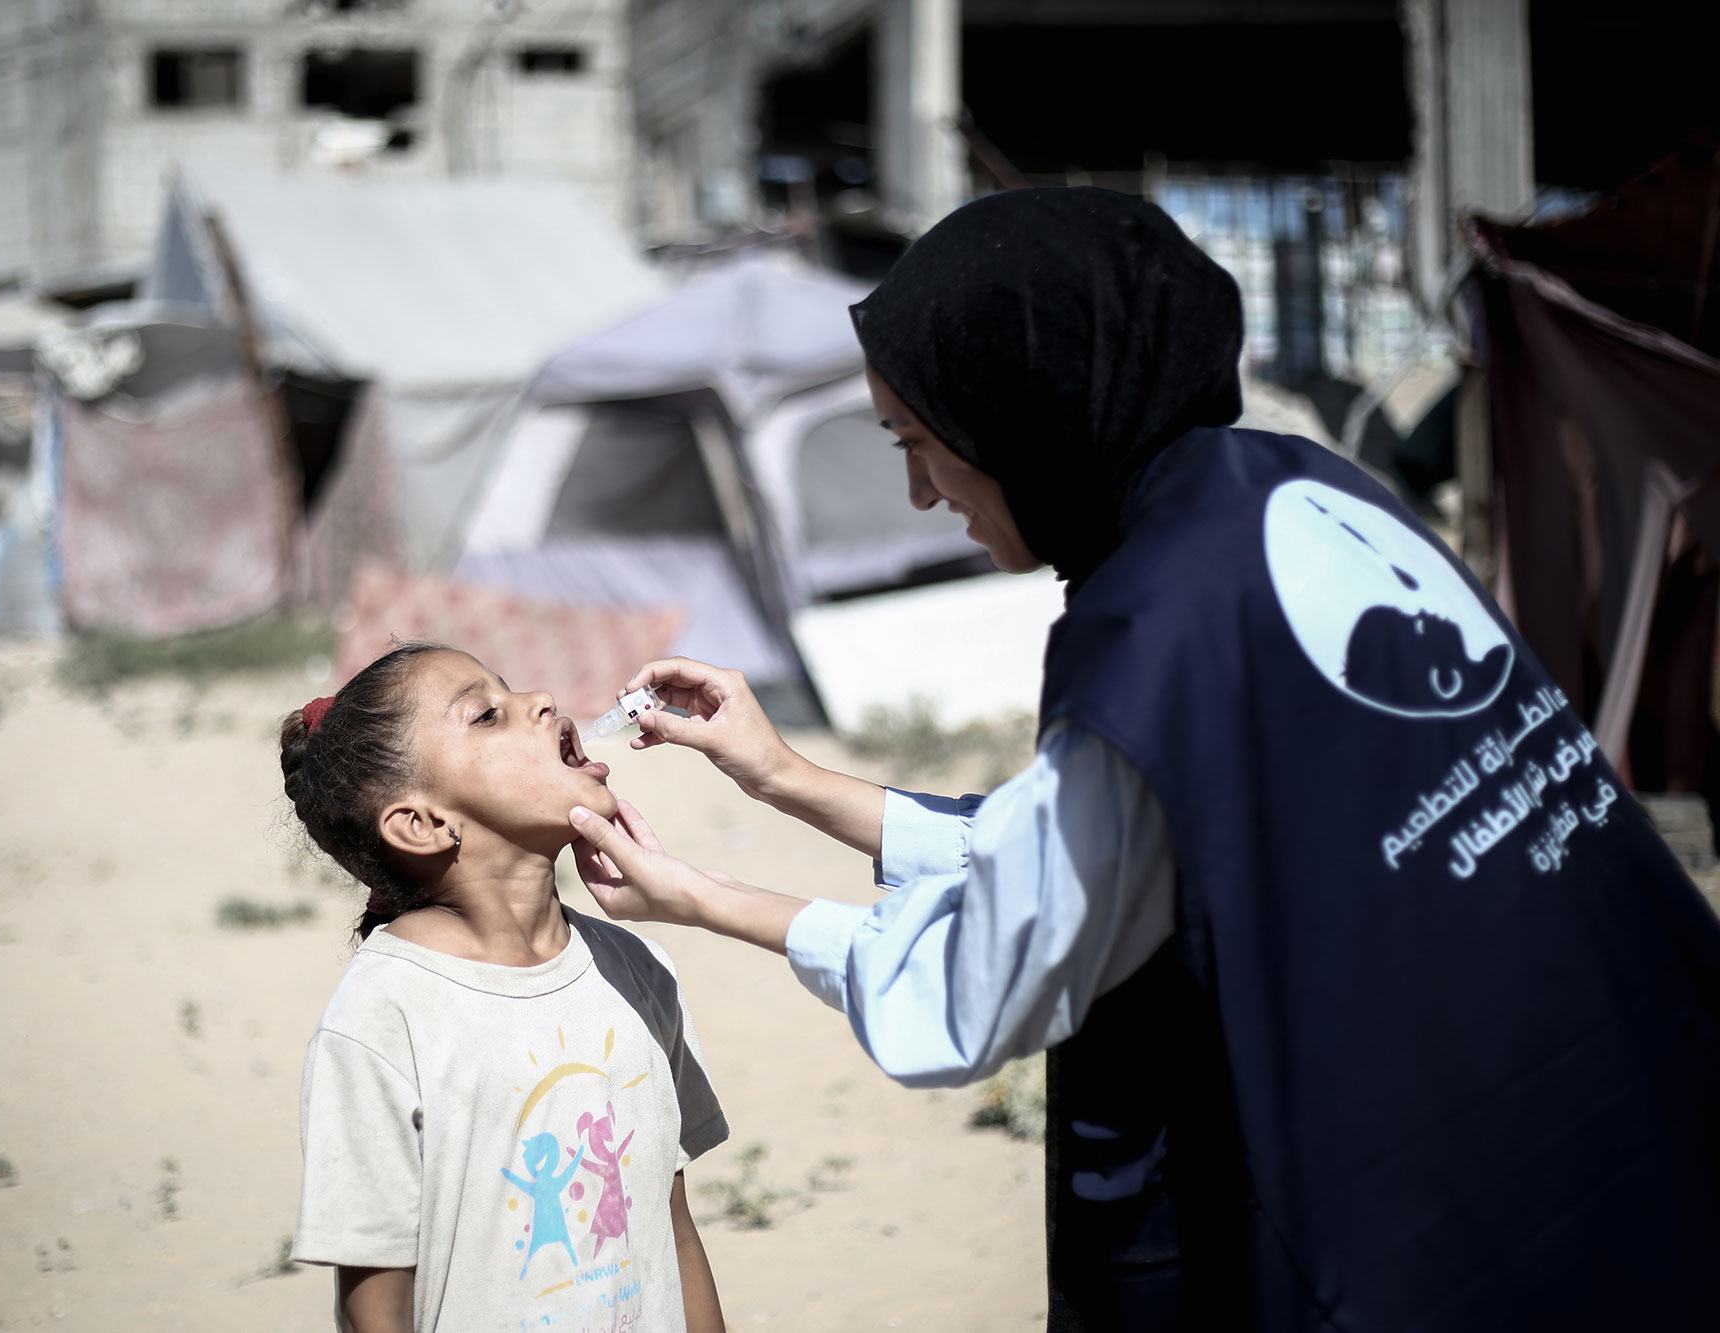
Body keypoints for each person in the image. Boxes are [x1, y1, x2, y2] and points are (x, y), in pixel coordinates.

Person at [564, 187, 1720, 1331]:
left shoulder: (1157, 624)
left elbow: (968, 990)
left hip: (1443, 1217)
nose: (922, 494)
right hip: (1629, 1108)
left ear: (1022, 411)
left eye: (919, 443)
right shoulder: (1295, 497)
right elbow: (1153, 847)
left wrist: (699, 899)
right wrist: (782, 778)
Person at [281, 643, 728, 1333]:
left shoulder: (637, 969)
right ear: (423, 823)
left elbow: (674, 1230)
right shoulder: (383, 1018)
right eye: (487, 713)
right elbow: (375, 1305)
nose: (542, 700)